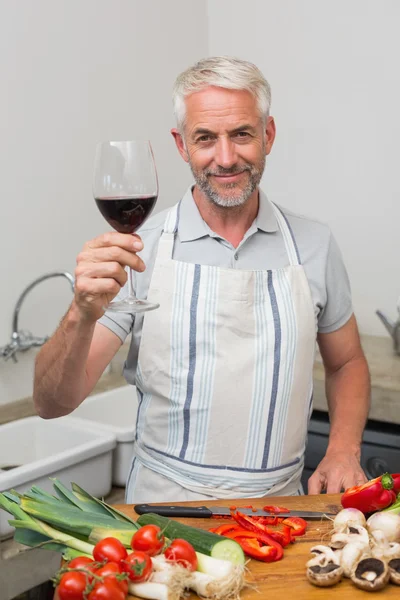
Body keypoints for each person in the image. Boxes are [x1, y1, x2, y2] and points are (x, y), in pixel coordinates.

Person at [33, 56, 370, 502]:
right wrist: (80, 312)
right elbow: (52, 403)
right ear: (181, 144)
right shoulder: (139, 251)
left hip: (281, 512)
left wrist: (344, 449)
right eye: (206, 138)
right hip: (162, 515)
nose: (225, 158)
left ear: (268, 135)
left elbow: (346, 363)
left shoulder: (314, 244)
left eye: (242, 134)